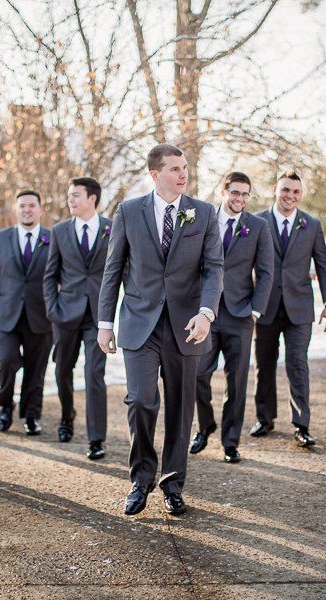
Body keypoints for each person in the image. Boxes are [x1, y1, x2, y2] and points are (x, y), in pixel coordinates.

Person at [98, 144, 223, 516]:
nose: (183, 174)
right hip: (139, 323)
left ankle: (172, 482)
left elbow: (214, 268)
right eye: (174, 169)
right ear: (155, 174)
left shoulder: (203, 212)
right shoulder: (128, 211)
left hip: (187, 327)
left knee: (181, 408)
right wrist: (105, 323)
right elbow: (113, 269)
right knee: (139, 399)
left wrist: (206, 313)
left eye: (185, 168)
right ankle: (141, 480)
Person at [191, 172, 272, 464]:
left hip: (240, 315)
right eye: (235, 192)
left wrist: (255, 310)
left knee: (236, 381)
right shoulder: (203, 219)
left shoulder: (258, 227)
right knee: (198, 374)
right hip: (205, 313)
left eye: (245, 194)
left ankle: (230, 441)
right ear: (224, 191)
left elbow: (266, 272)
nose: (240, 199)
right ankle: (204, 426)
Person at [252, 171, 326, 447]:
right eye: (286, 190)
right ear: (275, 189)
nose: (290, 196)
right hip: (264, 306)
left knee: (298, 364)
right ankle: (265, 418)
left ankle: (301, 424)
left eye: (296, 192)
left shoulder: (311, 224)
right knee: (264, 364)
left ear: (301, 194)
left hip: (299, 308)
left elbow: (323, 264)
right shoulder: (256, 221)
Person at [44, 177, 113, 459]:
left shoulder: (113, 228)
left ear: (92, 199)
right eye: (69, 196)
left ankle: (97, 439)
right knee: (63, 371)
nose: (70, 200)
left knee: (94, 374)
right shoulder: (59, 231)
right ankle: (66, 417)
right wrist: (52, 308)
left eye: (75, 196)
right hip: (65, 313)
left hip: (99, 316)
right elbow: (50, 275)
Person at [0, 190, 53, 436]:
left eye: (32, 205)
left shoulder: (52, 238)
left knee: (36, 370)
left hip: (42, 316)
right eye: (22, 206)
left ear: (40, 210)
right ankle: (5, 407)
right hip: (6, 314)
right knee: (6, 361)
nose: (27, 209)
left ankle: (32, 415)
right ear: (16, 210)